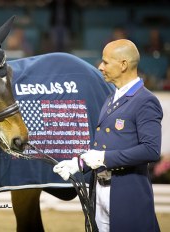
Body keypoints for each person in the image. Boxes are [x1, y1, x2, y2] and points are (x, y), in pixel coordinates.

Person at [54, 39, 163, 232]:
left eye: (105, 62)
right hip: (100, 192)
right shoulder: (111, 98)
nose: (100, 67)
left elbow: (151, 150)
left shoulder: (145, 101)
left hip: (126, 194)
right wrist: (79, 164)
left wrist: (104, 158)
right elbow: (105, 145)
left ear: (123, 65)